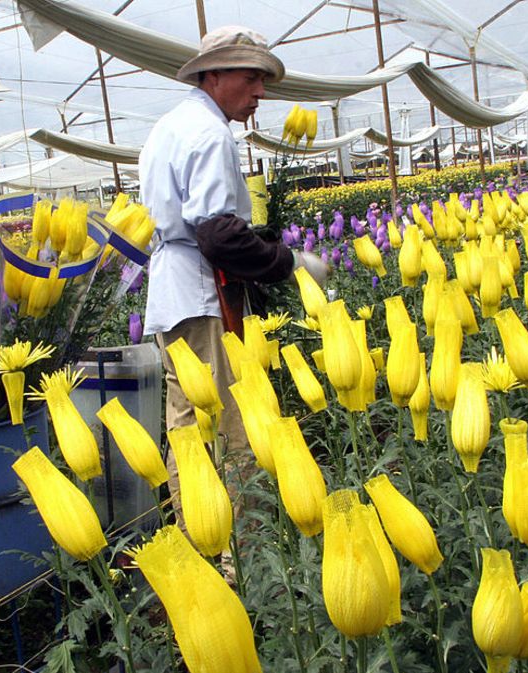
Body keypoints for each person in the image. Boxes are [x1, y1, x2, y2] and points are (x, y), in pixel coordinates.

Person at [139, 26, 328, 520]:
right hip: (202, 296)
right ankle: (237, 553)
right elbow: (218, 236)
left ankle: (199, 534)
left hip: (170, 294)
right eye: (252, 78)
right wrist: (289, 263)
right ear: (215, 74)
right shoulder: (210, 134)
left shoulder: (170, 125)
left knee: (187, 425)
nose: (261, 93)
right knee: (229, 423)